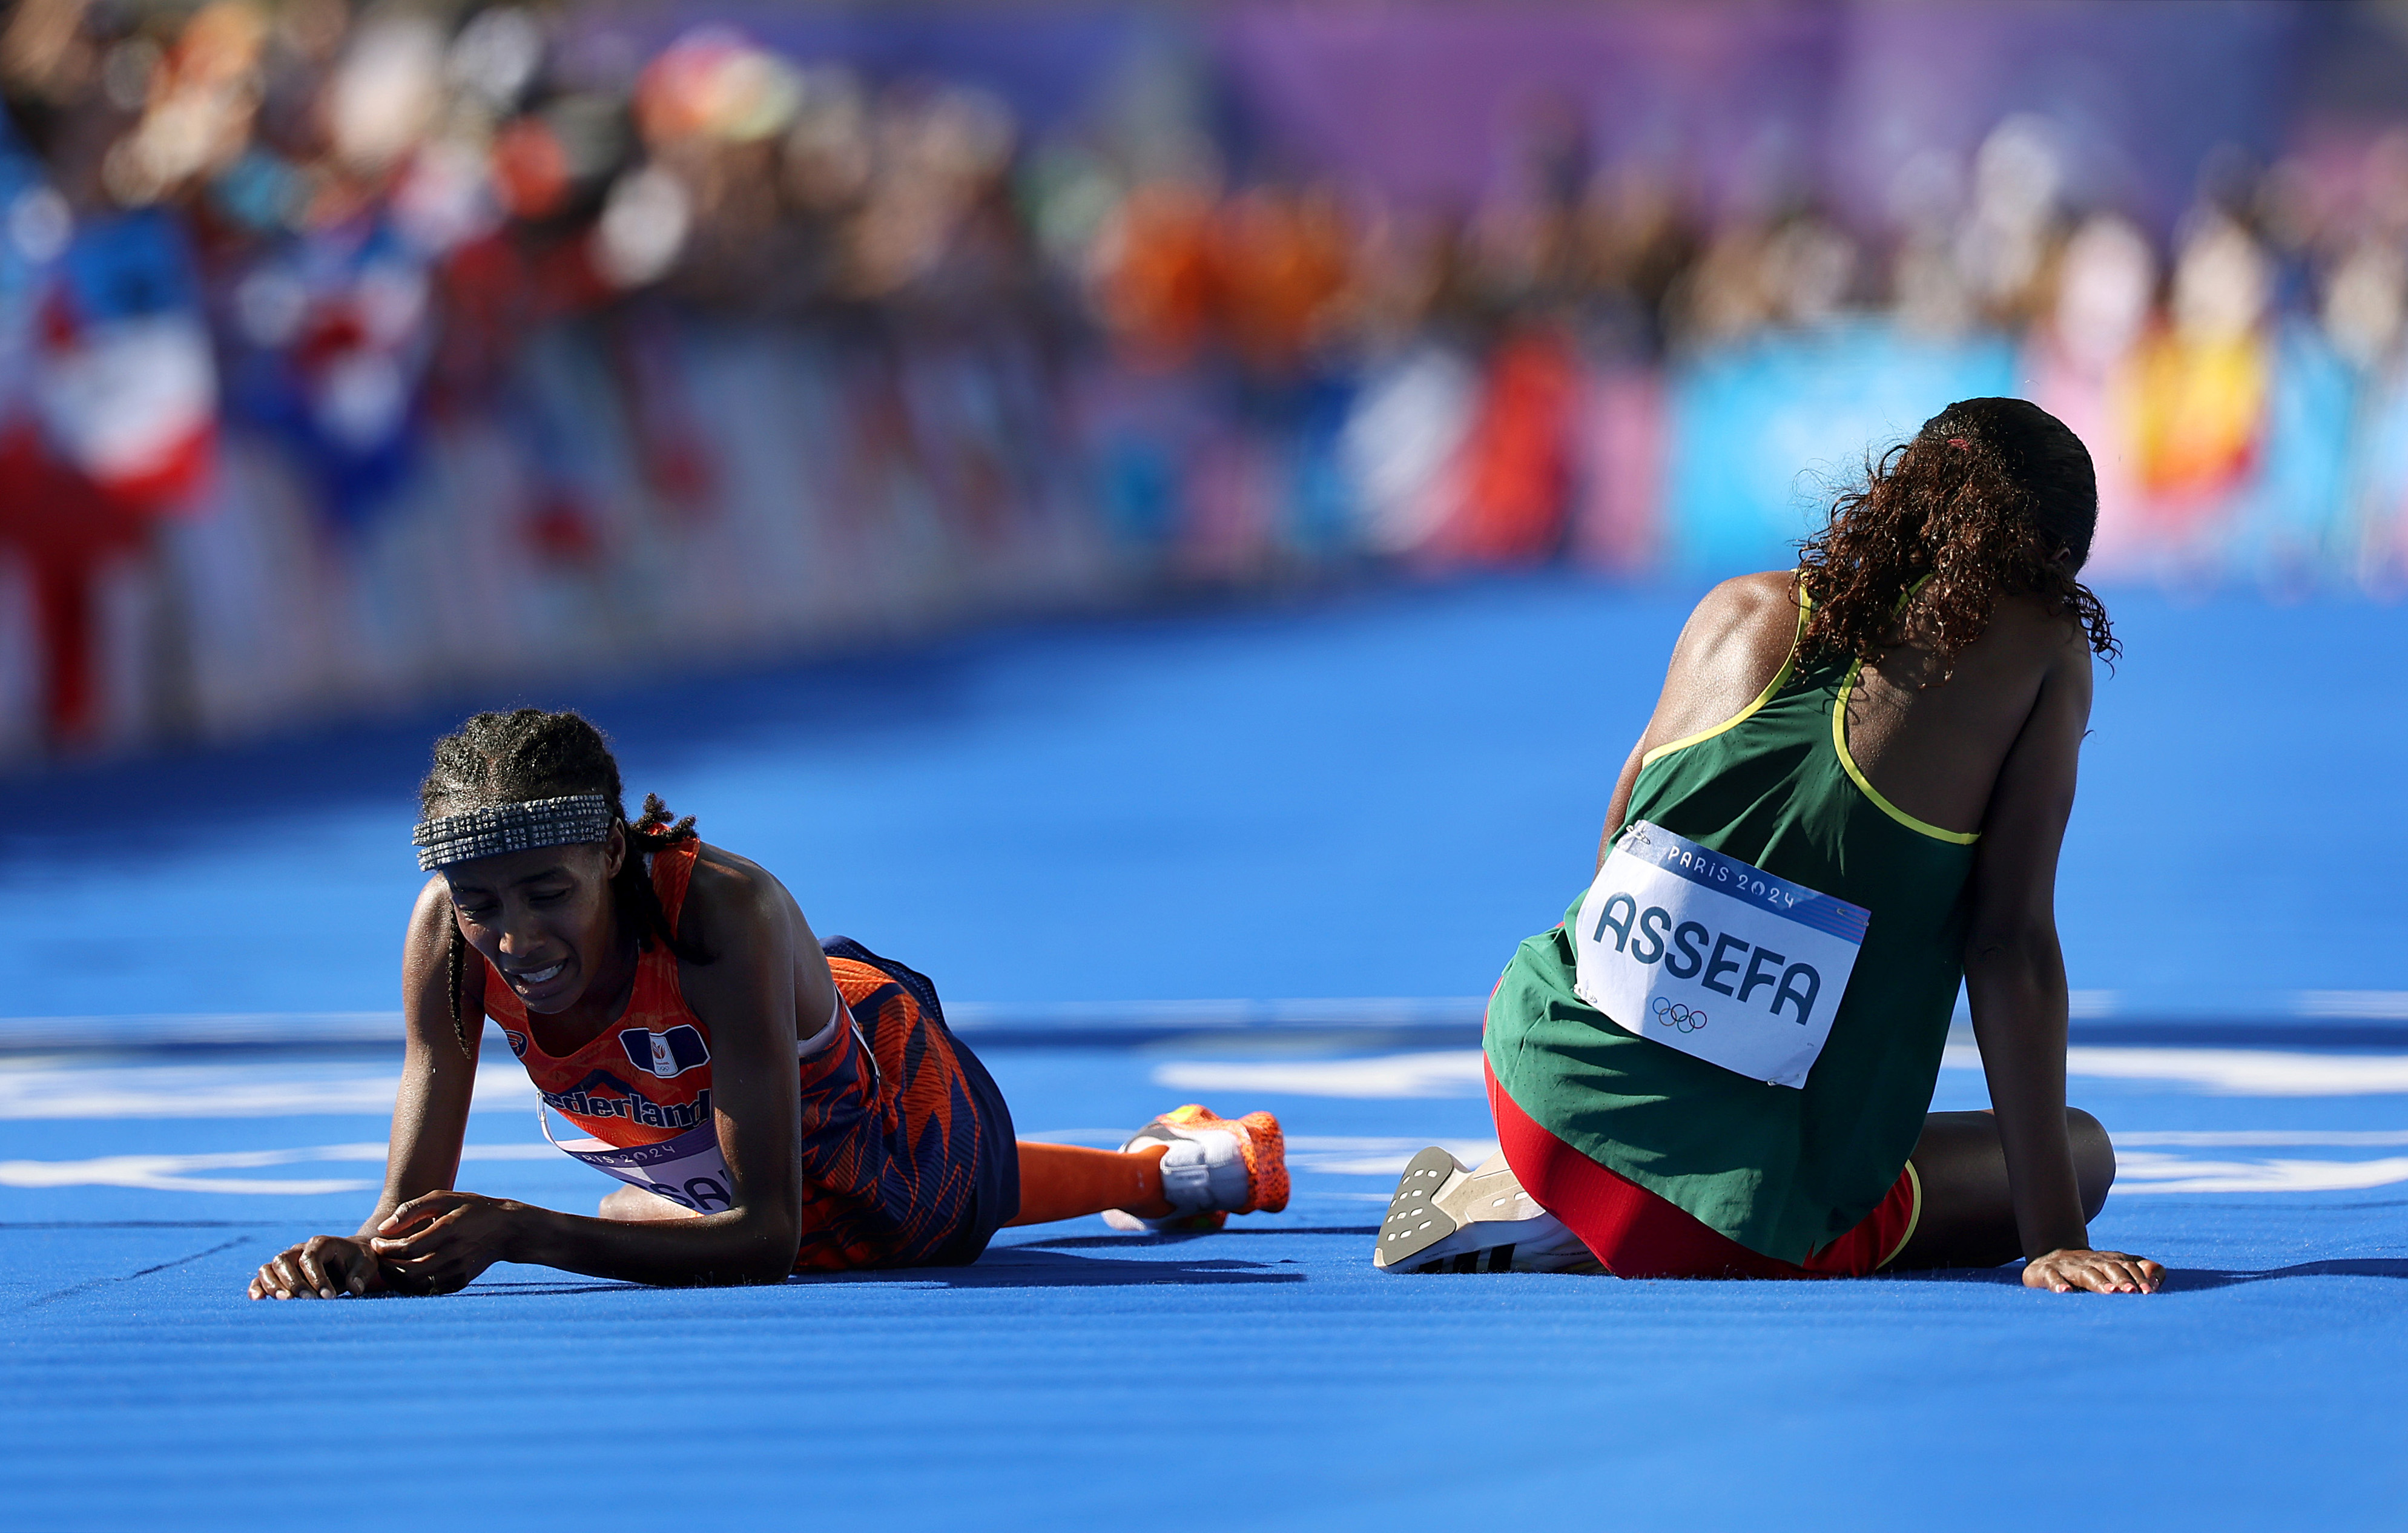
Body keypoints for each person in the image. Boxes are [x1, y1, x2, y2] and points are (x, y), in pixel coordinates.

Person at [1377, 397, 2163, 1295]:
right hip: (1727, 1213)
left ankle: (1540, 1194)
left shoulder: (1734, 608)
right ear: (2051, 564)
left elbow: (1616, 847)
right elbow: (2007, 942)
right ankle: (1565, 1225)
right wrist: (2053, 1237)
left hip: (1534, 1085)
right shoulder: (2041, 652)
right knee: (2081, 1151)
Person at [249, 708, 1287, 1299]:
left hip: (892, 1099)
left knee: (878, 1222)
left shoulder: (717, 910)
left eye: (548, 897)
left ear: (611, 854)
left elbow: (763, 1244)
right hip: (692, 1124)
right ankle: (1171, 1162)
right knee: (639, 1208)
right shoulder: (447, 928)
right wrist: (365, 1254)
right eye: (483, 906)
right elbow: (418, 1168)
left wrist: (523, 1232)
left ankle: (1163, 1174)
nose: (514, 940)